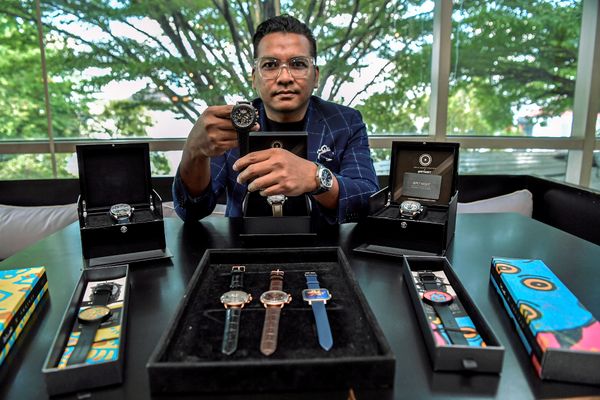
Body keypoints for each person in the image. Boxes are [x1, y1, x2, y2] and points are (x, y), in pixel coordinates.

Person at [172, 14, 378, 224]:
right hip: (241, 243)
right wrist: (193, 153)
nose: (285, 78)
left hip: (324, 241)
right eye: (270, 65)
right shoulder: (231, 125)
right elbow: (191, 210)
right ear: (254, 78)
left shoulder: (345, 121)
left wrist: (316, 178)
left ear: (315, 76)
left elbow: (367, 199)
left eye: (298, 64)